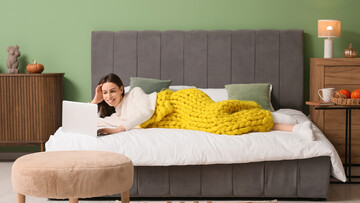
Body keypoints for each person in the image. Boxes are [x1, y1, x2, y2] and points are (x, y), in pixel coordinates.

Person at [91, 73, 315, 140]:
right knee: (221, 121)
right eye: (105, 93)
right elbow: (92, 120)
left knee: (221, 123)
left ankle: (293, 128)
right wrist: (95, 101)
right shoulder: (117, 113)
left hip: (180, 102)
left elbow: (146, 112)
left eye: (112, 91)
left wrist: (119, 130)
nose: (109, 96)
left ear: (122, 88)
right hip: (178, 118)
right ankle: (263, 115)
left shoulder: (136, 94)